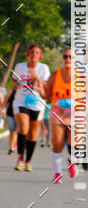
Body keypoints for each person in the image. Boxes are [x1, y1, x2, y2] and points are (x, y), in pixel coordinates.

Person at [12, 43, 50, 171]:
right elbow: (14, 79)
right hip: (21, 101)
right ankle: (20, 159)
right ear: (27, 54)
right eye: (32, 52)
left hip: (37, 103)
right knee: (23, 128)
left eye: (37, 52)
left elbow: (46, 85)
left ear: (40, 56)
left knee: (33, 134)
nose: (34, 54)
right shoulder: (20, 66)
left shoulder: (43, 68)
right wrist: (15, 84)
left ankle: (28, 160)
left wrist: (36, 77)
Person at [44, 48, 77, 183]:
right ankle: (57, 173)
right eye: (65, 56)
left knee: (73, 143)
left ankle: (71, 160)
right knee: (57, 143)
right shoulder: (55, 75)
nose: (68, 59)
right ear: (62, 58)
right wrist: (40, 88)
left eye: (71, 57)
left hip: (75, 112)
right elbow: (47, 95)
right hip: (58, 112)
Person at [3, 87, 18, 155]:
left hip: (19, 114)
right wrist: (3, 111)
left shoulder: (24, 92)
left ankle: (15, 142)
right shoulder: (11, 91)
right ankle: (11, 148)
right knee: (12, 131)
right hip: (10, 114)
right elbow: (5, 103)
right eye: (15, 82)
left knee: (17, 131)